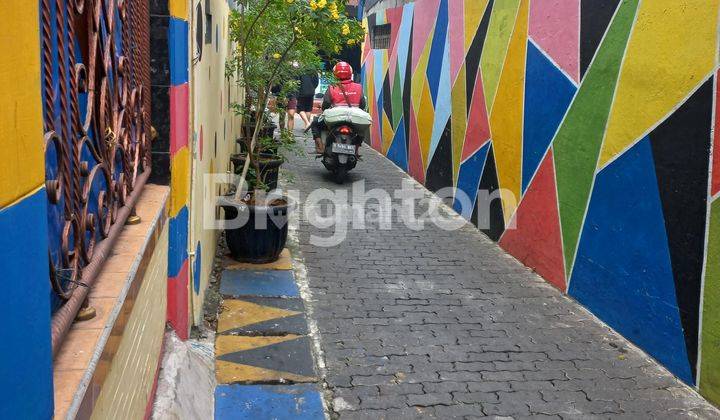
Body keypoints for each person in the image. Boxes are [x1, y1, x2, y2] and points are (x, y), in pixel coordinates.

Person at [310, 61, 367, 154]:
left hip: (334, 118)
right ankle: (356, 149)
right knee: (361, 130)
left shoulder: (332, 87)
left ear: (335, 74)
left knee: (315, 123)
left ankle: (320, 147)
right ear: (350, 73)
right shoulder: (358, 87)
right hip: (354, 118)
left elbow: (326, 104)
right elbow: (362, 104)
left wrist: (325, 108)